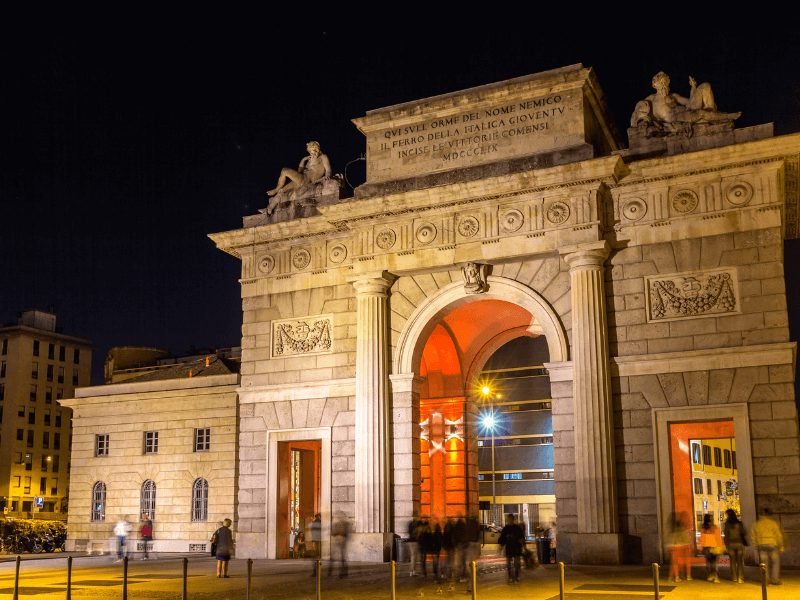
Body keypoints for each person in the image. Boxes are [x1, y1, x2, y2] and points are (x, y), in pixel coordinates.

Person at [266, 140, 331, 213]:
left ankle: (276, 189)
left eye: (313, 150)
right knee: (282, 191)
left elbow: (328, 169)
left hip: (306, 180)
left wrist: (327, 176)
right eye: (310, 151)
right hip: (301, 179)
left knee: (284, 170)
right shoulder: (309, 159)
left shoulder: (323, 157)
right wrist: (303, 160)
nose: (312, 153)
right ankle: (270, 208)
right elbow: (299, 171)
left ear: (317, 148)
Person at [751, 507, 785, 585]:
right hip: (772, 544)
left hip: (761, 545)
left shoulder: (757, 524)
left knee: (764, 563)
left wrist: (755, 545)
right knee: (775, 562)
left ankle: (765, 580)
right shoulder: (773, 523)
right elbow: (778, 535)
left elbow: (753, 535)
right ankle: (775, 579)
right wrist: (781, 545)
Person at [498, 514, 525, 584]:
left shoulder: (517, 528)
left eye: (510, 519)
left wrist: (524, 547)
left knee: (517, 563)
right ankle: (510, 577)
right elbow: (502, 538)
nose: (509, 520)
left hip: (516, 547)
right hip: (509, 547)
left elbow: (521, 538)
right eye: (508, 519)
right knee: (508, 564)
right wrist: (500, 547)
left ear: (513, 519)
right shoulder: (506, 528)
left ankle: (516, 576)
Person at [667, 513, 693, 582]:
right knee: (684, 563)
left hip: (674, 549)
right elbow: (687, 542)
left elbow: (671, 542)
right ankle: (686, 576)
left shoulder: (673, 532)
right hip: (682, 549)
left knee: (674, 564)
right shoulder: (684, 532)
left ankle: (674, 577)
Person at [723, 509, 747, 583]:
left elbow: (726, 535)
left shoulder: (727, 524)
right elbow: (744, 532)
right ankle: (740, 578)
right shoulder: (739, 523)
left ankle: (734, 577)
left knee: (732, 561)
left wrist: (726, 545)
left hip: (730, 544)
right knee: (740, 561)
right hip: (739, 543)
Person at [699, 513, 724, 583]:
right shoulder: (715, 527)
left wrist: (701, 547)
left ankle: (710, 575)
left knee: (708, 562)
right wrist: (720, 546)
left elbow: (702, 539)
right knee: (714, 562)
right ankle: (715, 576)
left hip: (706, 547)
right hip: (714, 547)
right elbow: (718, 538)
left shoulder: (703, 528)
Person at [329, 513, 350, 578]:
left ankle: (343, 573)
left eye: (340, 516)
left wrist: (340, 534)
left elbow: (347, 533)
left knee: (342, 558)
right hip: (337, 541)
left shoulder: (346, 524)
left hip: (342, 541)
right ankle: (330, 572)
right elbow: (332, 533)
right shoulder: (336, 524)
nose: (339, 518)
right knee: (334, 557)